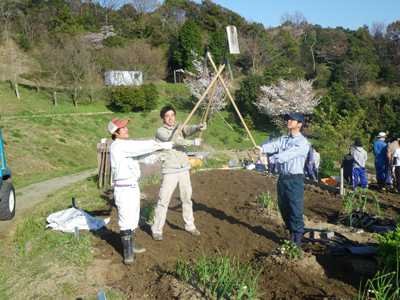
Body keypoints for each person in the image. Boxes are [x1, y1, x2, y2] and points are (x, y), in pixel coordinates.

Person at [108, 118, 174, 264]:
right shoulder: (118, 146)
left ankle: (132, 245)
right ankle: (128, 254)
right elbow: (142, 147)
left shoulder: (126, 147)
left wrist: (159, 155)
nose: (127, 129)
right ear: (116, 132)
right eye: (123, 128)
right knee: (126, 219)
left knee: (132, 219)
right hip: (124, 188)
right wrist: (161, 144)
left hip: (133, 187)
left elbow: (146, 159)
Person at [255, 112, 309, 250]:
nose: (289, 121)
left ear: (300, 124)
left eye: (292, 119)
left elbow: (287, 155)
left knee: (295, 211)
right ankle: (291, 238)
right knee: (284, 209)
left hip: (294, 181)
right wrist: (262, 148)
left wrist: (270, 160)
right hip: (282, 180)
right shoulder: (284, 139)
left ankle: (297, 245)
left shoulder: (302, 142)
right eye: (288, 119)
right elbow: (273, 146)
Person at [151, 106, 206, 241]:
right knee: (164, 200)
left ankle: (190, 226)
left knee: (187, 199)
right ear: (163, 118)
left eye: (172, 115)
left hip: (184, 170)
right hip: (170, 170)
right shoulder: (160, 132)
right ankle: (157, 230)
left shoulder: (180, 128)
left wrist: (198, 128)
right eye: (167, 116)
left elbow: (188, 129)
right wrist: (192, 142)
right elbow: (174, 141)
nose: (170, 118)